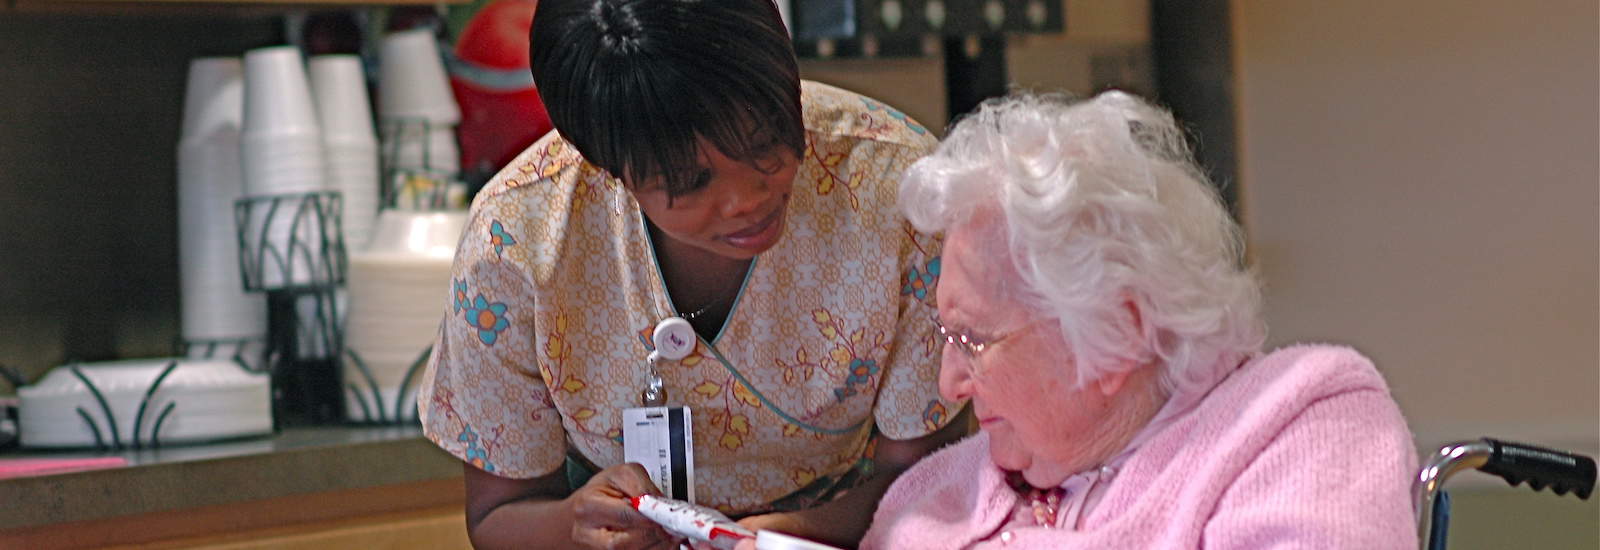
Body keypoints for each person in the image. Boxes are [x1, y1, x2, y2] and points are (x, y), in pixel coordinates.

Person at [415, 0, 968, 548]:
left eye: (768, 145)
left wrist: (787, 537)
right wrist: (574, 523)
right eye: (690, 181)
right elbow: (500, 515)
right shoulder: (515, 240)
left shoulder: (900, 194)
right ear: (606, 163)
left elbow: (929, 481)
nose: (745, 200)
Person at [859, 91, 1418, 549]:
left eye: (974, 340)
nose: (949, 382)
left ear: (1116, 336)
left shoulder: (1297, 423)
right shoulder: (937, 495)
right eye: (948, 337)